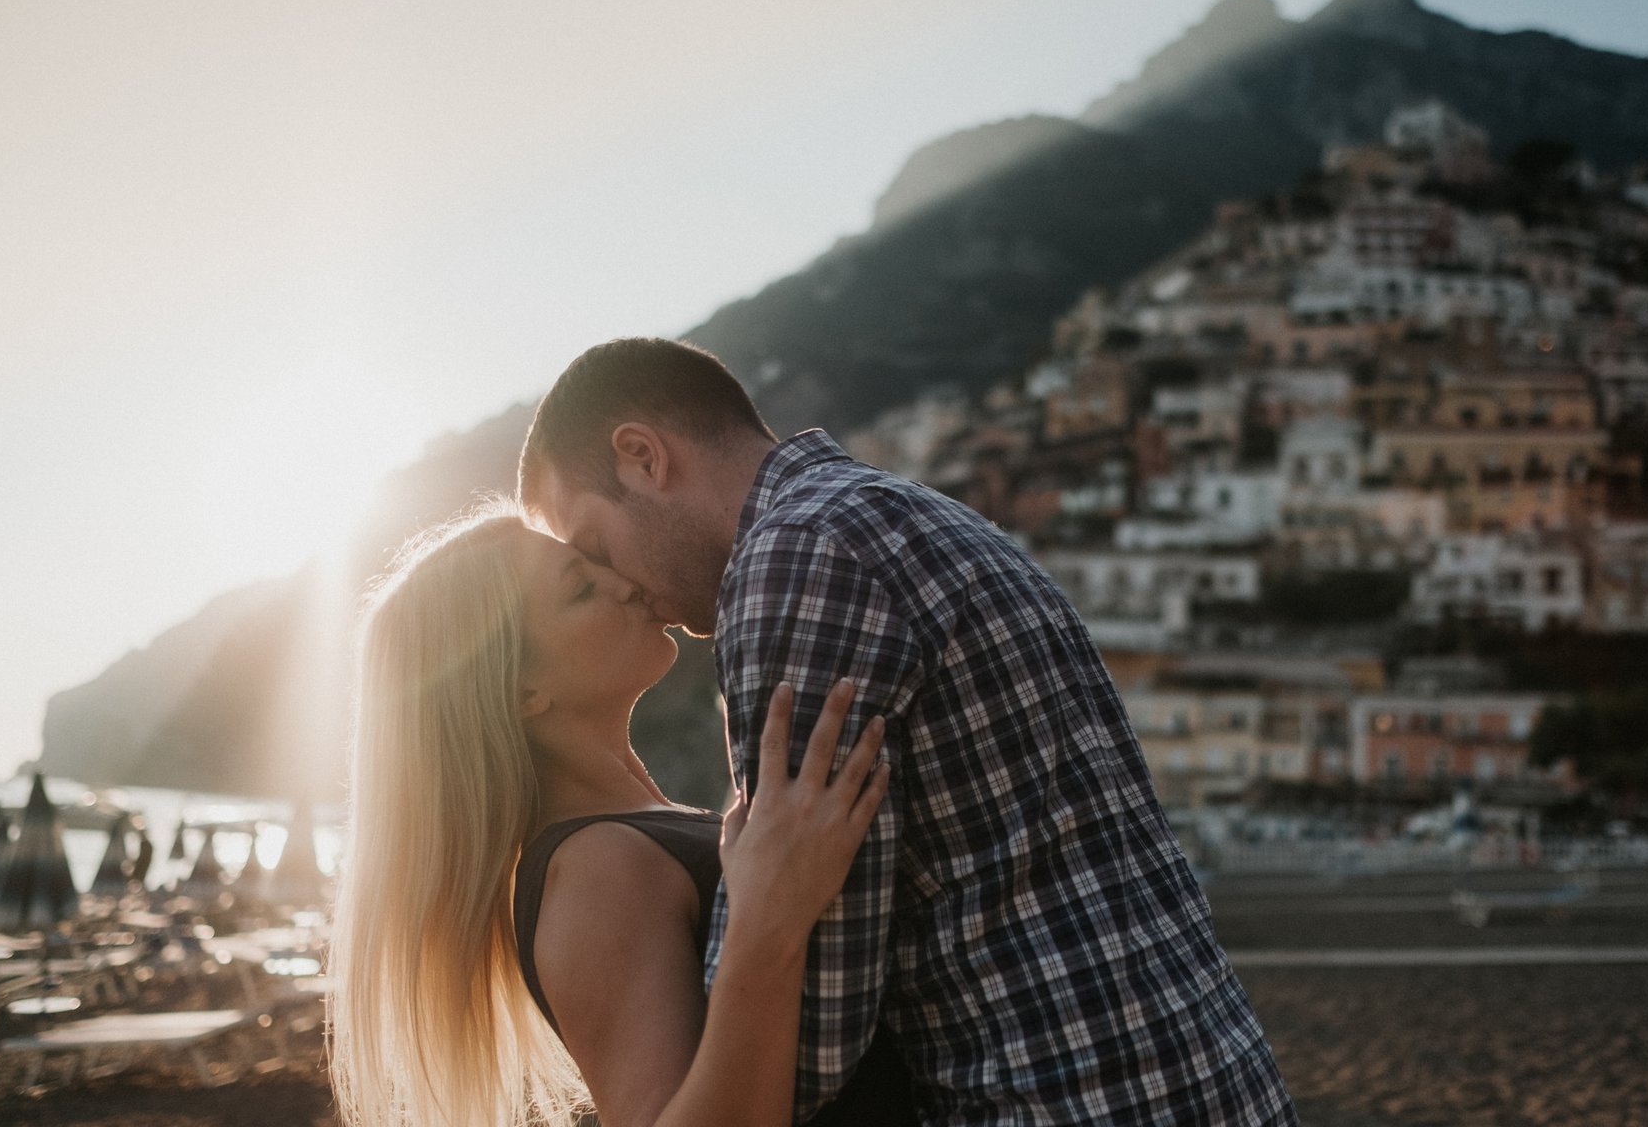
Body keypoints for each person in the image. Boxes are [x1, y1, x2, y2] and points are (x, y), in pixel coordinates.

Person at [519, 337, 1300, 1125]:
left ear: (642, 457)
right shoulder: (914, 514)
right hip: (1215, 1077)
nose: (624, 586)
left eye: (594, 546)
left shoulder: (794, 562)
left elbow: (816, 1031)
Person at [328, 504, 892, 1127]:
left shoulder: (629, 836)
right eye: (582, 588)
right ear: (522, 692)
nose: (626, 582)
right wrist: (769, 922)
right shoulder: (599, 870)